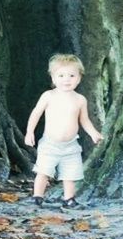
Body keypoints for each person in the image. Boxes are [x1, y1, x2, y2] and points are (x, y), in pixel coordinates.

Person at [24, 53, 103, 208]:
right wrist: (30, 132)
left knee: (70, 174)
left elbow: (84, 120)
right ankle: (37, 196)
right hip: (50, 144)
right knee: (43, 171)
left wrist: (94, 133)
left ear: (79, 78)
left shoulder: (80, 99)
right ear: (53, 78)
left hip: (71, 146)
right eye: (61, 75)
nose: (66, 79)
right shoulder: (48, 96)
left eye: (72, 75)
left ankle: (69, 198)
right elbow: (36, 114)